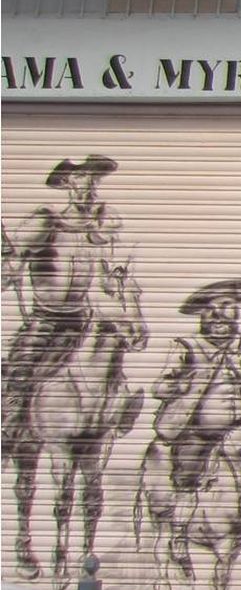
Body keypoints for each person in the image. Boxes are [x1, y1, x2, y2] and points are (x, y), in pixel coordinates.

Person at [1, 156, 125, 446]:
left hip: (83, 320)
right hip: (46, 320)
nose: (89, 184)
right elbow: (12, 263)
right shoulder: (46, 221)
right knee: (20, 373)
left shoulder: (103, 224)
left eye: (94, 177)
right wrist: (11, 266)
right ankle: (10, 432)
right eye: (81, 177)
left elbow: (110, 272)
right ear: (66, 182)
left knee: (112, 368)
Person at [151, 278, 241, 563]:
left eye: (227, 307)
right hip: (197, 432)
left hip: (235, 432)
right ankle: (179, 536)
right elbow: (160, 386)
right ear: (203, 315)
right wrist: (177, 387)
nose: (219, 316)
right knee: (187, 481)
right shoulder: (186, 347)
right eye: (212, 309)